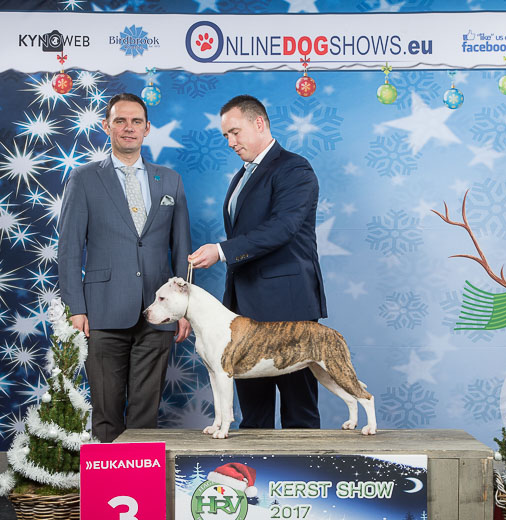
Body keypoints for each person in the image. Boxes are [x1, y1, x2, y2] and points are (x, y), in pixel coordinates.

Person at [58, 93, 192, 443]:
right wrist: (76, 308)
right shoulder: (84, 179)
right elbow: (69, 249)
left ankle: (140, 478)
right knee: (106, 413)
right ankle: (108, 478)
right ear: (107, 126)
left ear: (147, 128)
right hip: (101, 311)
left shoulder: (171, 180)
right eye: (120, 121)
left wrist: (184, 309)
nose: (128, 128)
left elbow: (182, 249)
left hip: (159, 313)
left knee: (146, 415)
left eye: (136, 121)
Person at [189, 94, 327, 429]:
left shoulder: (294, 168)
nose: (230, 142)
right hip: (244, 313)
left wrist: (221, 250)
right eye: (226, 136)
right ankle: (254, 466)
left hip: (288, 308)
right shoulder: (242, 175)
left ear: (260, 123)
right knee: (254, 416)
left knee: (299, 413)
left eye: (235, 132)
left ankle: (304, 465)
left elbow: (283, 227)